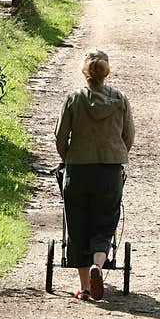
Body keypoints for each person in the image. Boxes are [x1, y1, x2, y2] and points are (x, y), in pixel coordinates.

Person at [55, 50, 134, 301]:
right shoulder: (120, 99)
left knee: (77, 223)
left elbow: (60, 136)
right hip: (109, 170)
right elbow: (128, 136)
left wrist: (68, 157)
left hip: (77, 169)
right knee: (105, 221)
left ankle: (85, 287)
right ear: (106, 72)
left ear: (84, 71)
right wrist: (115, 154)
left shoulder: (73, 99)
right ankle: (97, 267)